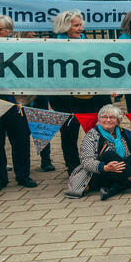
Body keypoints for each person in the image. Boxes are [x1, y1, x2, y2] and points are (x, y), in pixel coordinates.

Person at [0, 14, 37, 193]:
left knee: (20, 141)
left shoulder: (20, 47)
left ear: (9, 32)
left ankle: (23, 175)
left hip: (15, 103)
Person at [46, 10, 108, 173]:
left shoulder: (90, 44)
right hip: (65, 99)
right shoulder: (53, 46)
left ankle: (99, 163)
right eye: (76, 25)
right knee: (69, 134)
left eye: (81, 25)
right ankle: (72, 168)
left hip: (91, 97)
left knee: (97, 130)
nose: (80, 28)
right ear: (65, 26)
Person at [63, 104, 131, 200]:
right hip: (101, 175)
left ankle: (111, 190)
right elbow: (86, 162)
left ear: (118, 120)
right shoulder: (91, 135)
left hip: (121, 172)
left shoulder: (124, 133)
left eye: (112, 117)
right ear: (99, 119)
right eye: (104, 117)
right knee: (109, 154)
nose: (108, 120)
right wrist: (105, 167)